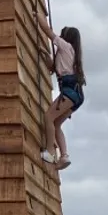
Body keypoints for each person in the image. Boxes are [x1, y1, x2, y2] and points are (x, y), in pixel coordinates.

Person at [38, 11, 86, 170]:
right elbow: (53, 68)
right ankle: (64, 156)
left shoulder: (65, 46)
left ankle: (51, 153)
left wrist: (37, 16)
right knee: (56, 123)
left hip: (69, 92)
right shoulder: (69, 53)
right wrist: (46, 56)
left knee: (48, 117)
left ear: (66, 37)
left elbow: (47, 31)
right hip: (75, 94)